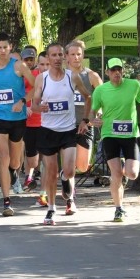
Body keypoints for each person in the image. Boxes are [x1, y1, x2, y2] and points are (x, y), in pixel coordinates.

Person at [31, 43, 91, 225]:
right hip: (48, 131)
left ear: (64, 57)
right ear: (48, 58)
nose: (57, 58)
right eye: (53, 55)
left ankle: (66, 179)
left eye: (59, 55)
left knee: (70, 170)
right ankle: (50, 209)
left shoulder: (72, 77)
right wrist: (38, 108)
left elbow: (88, 97)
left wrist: (85, 120)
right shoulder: (42, 79)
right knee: (50, 173)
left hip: (68, 131)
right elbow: (33, 105)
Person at [90, 58, 140, 222]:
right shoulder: (101, 90)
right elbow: (93, 112)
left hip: (130, 135)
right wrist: (94, 119)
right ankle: (119, 209)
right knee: (116, 174)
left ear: (123, 71)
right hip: (109, 135)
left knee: (132, 173)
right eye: (113, 70)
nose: (116, 73)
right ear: (107, 72)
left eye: (119, 69)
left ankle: (123, 172)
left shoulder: (133, 85)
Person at [0, 32, 36, 216]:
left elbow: (36, 86)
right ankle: (6, 201)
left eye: (5, 47)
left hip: (17, 119)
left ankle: (13, 171)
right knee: (3, 157)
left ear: (10, 47)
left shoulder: (18, 66)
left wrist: (22, 101)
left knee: (14, 160)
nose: (2, 50)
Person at [65, 40, 102, 174]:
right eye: (73, 54)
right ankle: (69, 187)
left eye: (79, 54)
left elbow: (104, 98)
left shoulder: (92, 76)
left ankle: (68, 179)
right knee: (68, 162)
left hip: (85, 124)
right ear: (67, 56)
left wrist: (97, 114)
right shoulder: (61, 75)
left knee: (82, 166)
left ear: (83, 55)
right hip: (65, 125)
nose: (76, 57)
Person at [21, 47, 47, 206]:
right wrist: (25, 106)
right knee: (32, 158)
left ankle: (42, 193)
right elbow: (20, 93)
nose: (44, 68)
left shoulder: (55, 77)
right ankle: (28, 175)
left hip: (47, 122)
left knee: (46, 157)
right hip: (29, 121)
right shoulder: (29, 76)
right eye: (42, 64)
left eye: (48, 64)